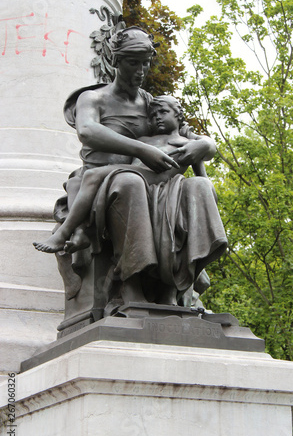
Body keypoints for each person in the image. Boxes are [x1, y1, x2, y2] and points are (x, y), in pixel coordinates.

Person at [36, 26, 228, 307]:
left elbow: (190, 135)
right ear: (115, 61)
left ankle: (181, 279)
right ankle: (130, 282)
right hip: (104, 180)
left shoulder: (151, 103)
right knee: (129, 182)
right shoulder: (93, 98)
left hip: (151, 180)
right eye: (132, 62)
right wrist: (141, 149)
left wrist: (206, 146)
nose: (140, 70)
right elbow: (88, 131)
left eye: (145, 63)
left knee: (200, 185)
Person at [33, 96, 204, 254]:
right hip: (132, 175)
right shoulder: (144, 140)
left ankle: (62, 234)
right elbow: (128, 162)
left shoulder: (189, 144)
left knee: (93, 175)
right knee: (75, 181)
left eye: (163, 112)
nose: (157, 117)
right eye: (153, 115)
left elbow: (202, 180)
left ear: (179, 115)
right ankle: (80, 231)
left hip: (158, 180)